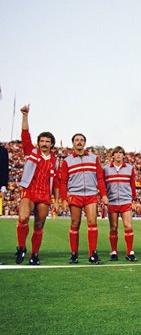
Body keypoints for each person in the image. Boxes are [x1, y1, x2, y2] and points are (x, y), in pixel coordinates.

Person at [14, 105, 58, 265]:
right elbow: (25, 135)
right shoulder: (31, 152)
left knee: (39, 225)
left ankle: (34, 254)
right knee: (23, 217)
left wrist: (57, 200)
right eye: (42, 141)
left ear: (52, 144)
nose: (44, 143)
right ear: (38, 143)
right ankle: (21, 248)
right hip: (30, 192)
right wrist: (25, 116)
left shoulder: (55, 161)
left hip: (45, 195)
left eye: (47, 141)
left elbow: (57, 183)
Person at [59, 133, 108, 264]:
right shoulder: (67, 161)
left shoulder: (93, 158)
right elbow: (63, 182)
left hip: (91, 194)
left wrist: (103, 194)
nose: (79, 142)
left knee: (92, 222)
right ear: (73, 143)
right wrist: (63, 199)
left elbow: (100, 178)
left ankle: (93, 253)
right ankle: (74, 253)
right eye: (77, 140)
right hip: (75, 195)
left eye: (81, 140)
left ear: (85, 143)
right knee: (75, 224)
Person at [103, 146, 137, 261]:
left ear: (124, 155)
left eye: (120, 153)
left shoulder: (130, 168)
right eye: (116, 153)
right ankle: (114, 251)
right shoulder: (106, 169)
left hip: (125, 201)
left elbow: (133, 185)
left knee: (128, 226)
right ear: (112, 156)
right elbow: (102, 185)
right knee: (113, 227)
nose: (118, 155)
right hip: (112, 201)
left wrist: (133, 199)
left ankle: (130, 252)